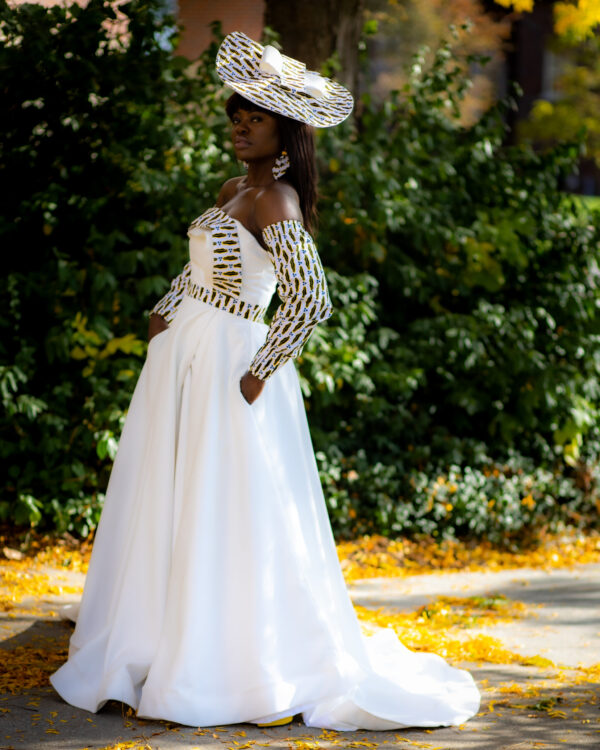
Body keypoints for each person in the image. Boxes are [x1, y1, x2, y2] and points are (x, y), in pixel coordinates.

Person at [50, 31, 480, 731]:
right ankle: (154, 642)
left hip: (231, 362)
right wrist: (164, 311)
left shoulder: (275, 199)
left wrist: (260, 368)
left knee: (226, 504)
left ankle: (224, 658)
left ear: (284, 128)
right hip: (186, 357)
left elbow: (311, 298)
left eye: (254, 116)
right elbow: (199, 268)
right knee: (174, 496)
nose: (240, 127)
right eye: (235, 116)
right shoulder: (233, 191)